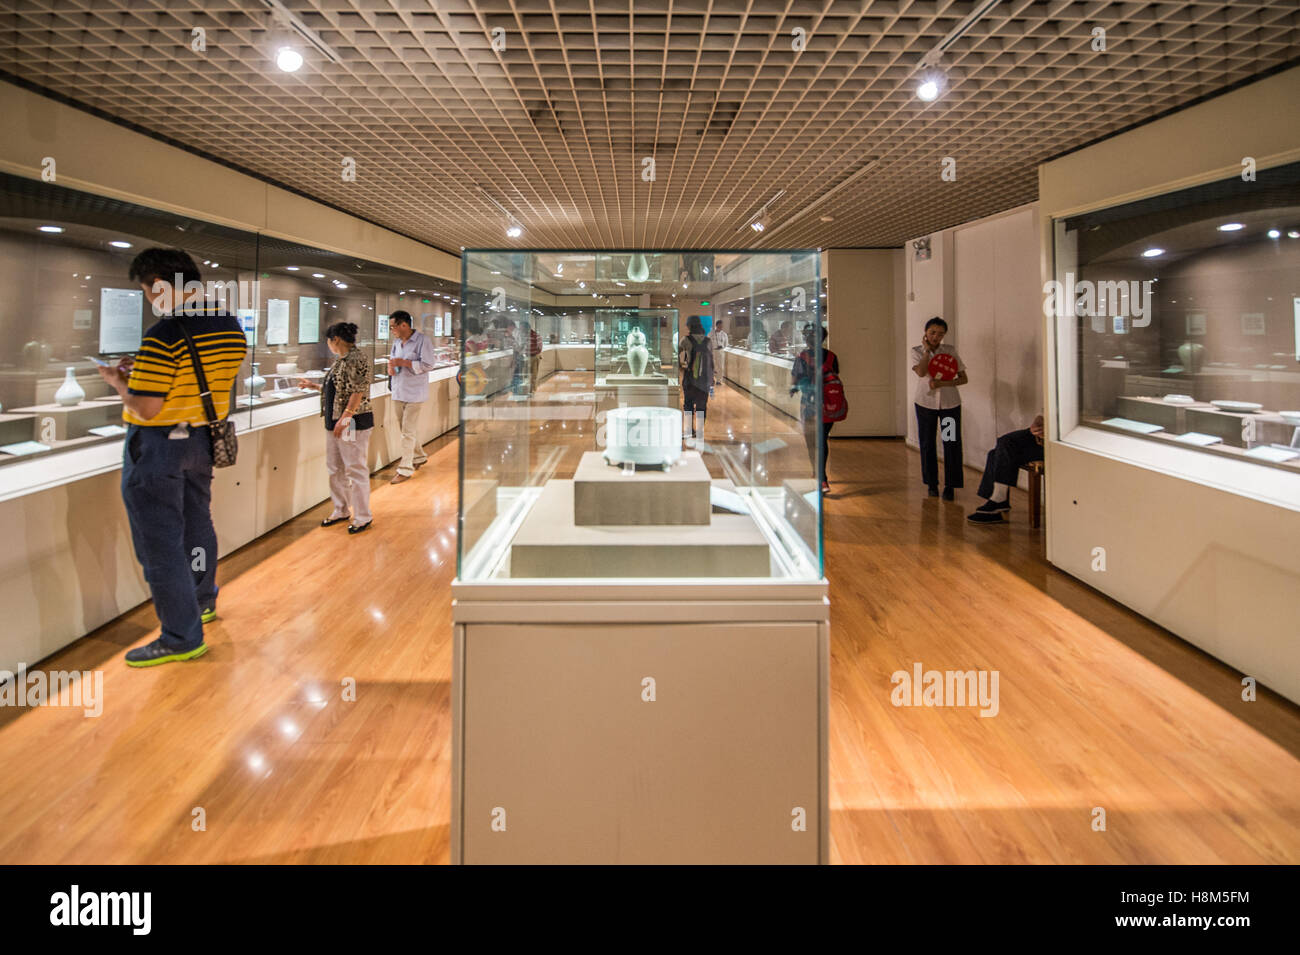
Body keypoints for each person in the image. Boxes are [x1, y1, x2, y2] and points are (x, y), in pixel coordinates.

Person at [95, 248, 246, 667]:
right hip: (202, 441)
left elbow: (146, 408)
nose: (150, 301)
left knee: (160, 542)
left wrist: (118, 382)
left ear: (161, 285)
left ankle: (181, 636)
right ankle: (202, 600)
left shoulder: (164, 335)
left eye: (148, 292)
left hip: (159, 447)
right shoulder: (228, 325)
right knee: (198, 522)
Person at [300, 322, 374, 534]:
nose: (329, 345)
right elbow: (337, 388)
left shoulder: (357, 358)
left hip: (352, 422)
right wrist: (314, 386)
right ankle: (341, 509)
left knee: (355, 468)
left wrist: (346, 416)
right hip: (335, 421)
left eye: (329, 341)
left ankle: (362, 516)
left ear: (336, 340)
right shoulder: (340, 361)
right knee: (335, 468)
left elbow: (358, 390)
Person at [910, 317, 968, 500]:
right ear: (925, 333)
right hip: (925, 404)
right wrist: (927, 351)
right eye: (932, 333)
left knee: (951, 443)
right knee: (927, 443)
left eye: (940, 334)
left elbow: (963, 378)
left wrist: (943, 383)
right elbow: (921, 372)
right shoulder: (917, 351)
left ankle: (950, 485)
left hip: (949, 405)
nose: (936, 337)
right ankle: (931, 484)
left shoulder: (950, 351)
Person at [387, 310, 435, 485]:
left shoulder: (423, 341)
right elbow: (394, 362)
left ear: (404, 325)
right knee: (405, 429)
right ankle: (419, 456)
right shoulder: (397, 343)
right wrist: (392, 368)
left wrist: (404, 363)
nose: (392, 330)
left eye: (394, 327)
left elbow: (429, 364)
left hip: (415, 393)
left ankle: (405, 469)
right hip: (398, 390)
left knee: (407, 432)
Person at [967, 415, 1045, 525]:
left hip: (1055, 439)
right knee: (999, 449)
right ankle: (997, 499)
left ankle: (997, 499)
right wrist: (1039, 422)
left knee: (1001, 448)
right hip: (1045, 432)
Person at [791, 325, 839, 494]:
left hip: (810, 403)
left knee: (812, 442)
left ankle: (821, 476)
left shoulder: (802, 356)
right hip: (828, 403)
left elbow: (795, 380)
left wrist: (794, 387)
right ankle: (821, 476)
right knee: (822, 439)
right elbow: (836, 377)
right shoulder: (831, 356)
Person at [679, 315, 714, 446]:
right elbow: (711, 361)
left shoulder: (685, 340)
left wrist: (680, 366)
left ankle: (688, 431)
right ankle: (699, 433)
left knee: (688, 405)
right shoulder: (708, 341)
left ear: (690, 325)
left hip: (690, 379)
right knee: (701, 407)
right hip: (704, 380)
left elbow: (675, 353)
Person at [709, 318, 730, 386]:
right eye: (720, 325)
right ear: (716, 325)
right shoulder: (711, 333)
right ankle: (711, 379)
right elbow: (707, 342)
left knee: (720, 366)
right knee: (712, 366)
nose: (721, 327)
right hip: (713, 351)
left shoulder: (724, 334)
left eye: (722, 326)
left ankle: (719, 380)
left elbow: (726, 344)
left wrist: (722, 347)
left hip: (720, 351)